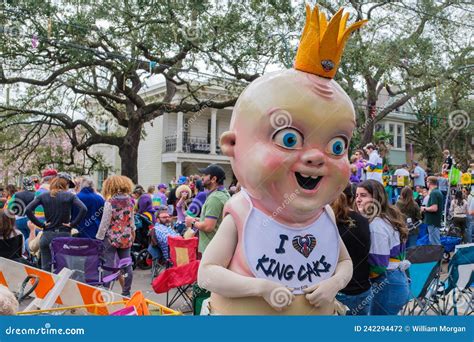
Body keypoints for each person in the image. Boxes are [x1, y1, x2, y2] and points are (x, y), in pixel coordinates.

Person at [355, 180, 409, 315]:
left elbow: (378, 266)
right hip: (396, 281)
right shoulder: (387, 217)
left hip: (387, 284)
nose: (358, 199)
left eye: (363, 195)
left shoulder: (376, 225)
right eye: (356, 195)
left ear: (376, 197)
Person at [25, 173, 87, 271]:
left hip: (47, 235)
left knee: (45, 268)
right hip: (64, 235)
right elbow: (83, 209)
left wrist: (41, 225)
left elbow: (27, 210)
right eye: (68, 186)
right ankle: (61, 286)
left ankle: (46, 286)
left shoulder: (44, 196)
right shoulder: (69, 196)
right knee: (64, 268)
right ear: (65, 185)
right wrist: (72, 224)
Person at [332, 184, 371, 315]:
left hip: (336, 290)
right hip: (361, 289)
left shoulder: (328, 221)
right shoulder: (364, 221)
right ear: (353, 198)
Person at [96, 175, 136, 297]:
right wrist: (133, 232)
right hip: (126, 237)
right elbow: (132, 220)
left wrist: (99, 237)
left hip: (111, 237)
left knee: (108, 265)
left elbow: (105, 222)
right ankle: (126, 292)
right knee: (126, 265)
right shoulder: (130, 200)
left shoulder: (110, 202)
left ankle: (106, 291)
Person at [185, 164, 230, 253]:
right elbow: (217, 221)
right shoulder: (223, 194)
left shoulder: (215, 198)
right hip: (218, 247)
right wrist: (198, 219)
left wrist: (192, 222)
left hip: (211, 249)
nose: (202, 177)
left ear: (213, 179)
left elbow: (209, 227)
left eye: (205, 175)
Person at [421, 176, 444, 246]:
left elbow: (434, 208)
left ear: (430, 182)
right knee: (434, 240)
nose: (426, 183)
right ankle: (437, 255)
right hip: (435, 221)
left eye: (427, 181)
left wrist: (424, 208)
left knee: (435, 242)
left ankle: (438, 256)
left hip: (433, 221)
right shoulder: (437, 192)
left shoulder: (434, 193)